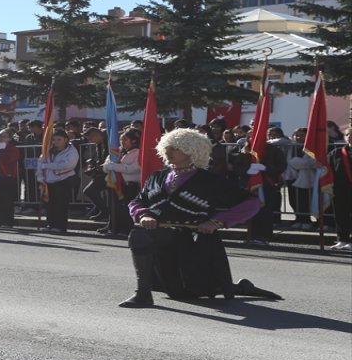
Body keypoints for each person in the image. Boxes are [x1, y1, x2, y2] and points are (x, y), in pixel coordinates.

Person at [120, 129, 280, 308]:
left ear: (191, 152)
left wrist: (216, 222)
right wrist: (143, 214)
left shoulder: (210, 181)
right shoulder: (157, 176)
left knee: (187, 294)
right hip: (160, 238)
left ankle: (239, 287)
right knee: (140, 235)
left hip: (192, 241)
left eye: (175, 148)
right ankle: (142, 293)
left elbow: (252, 203)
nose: (168, 152)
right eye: (167, 147)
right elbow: (137, 200)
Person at [98, 129, 142, 237]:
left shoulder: (138, 153)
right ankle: (113, 227)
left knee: (125, 208)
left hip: (129, 184)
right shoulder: (117, 152)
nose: (122, 141)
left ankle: (126, 230)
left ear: (134, 141)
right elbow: (106, 165)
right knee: (114, 207)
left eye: (125, 139)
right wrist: (108, 166)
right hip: (115, 183)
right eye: (121, 139)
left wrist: (113, 166)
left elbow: (132, 169)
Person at [37, 130, 78, 233]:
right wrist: (40, 178)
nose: (56, 142)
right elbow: (40, 163)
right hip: (49, 181)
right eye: (54, 140)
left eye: (59, 139)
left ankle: (60, 226)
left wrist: (48, 166)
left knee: (61, 204)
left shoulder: (71, 151)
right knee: (50, 204)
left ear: (66, 140)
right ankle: (50, 224)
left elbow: (67, 165)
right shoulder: (48, 150)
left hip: (64, 180)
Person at [0, 128, 21, 228]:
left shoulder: (13, 148)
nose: (2, 138)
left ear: (10, 138)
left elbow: (9, 160)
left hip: (7, 177)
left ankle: (8, 221)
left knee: (7, 201)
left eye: (5, 136)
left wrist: (1, 151)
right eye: (1, 136)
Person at [329, 125, 352, 251]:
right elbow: (328, 168)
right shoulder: (336, 152)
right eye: (348, 135)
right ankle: (342, 239)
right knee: (340, 214)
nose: (349, 138)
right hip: (340, 189)